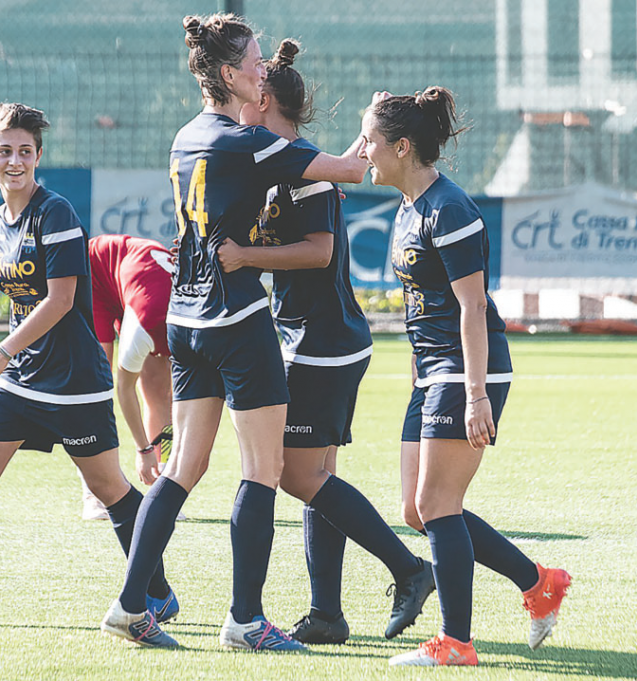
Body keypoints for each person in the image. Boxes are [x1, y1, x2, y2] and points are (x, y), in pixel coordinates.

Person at [99, 14, 367, 652]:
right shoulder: (251, 142)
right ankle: (246, 621)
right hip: (240, 322)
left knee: (184, 467)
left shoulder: (186, 136)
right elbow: (355, 169)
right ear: (227, 74)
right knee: (262, 467)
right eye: (252, 62)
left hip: (186, 319)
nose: (261, 71)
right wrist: (377, 123)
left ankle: (130, 604)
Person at [0, 103, 177, 635]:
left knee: (110, 487)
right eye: (4, 151)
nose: (15, 160)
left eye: (25, 151)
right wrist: (12, 359)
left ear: (38, 156)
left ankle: (157, 592)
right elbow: (20, 302)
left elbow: (62, 300)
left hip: (74, 383)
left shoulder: (57, 213)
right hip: (23, 380)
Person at [217, 38, 434, 645]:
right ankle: (327, 614)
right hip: (314, 337)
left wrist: (244, 257)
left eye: (249, 96)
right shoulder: (287, 162)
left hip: (324, 342)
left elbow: (321, 251)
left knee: (292, 473)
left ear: (262, 99)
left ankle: (411, 569)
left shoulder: (298, 165)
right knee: (319, 474)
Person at [356, 88, 572, 667]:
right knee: (417, 509)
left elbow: (472, 308)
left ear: (402, 147)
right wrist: (418, 380)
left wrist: (476, 394)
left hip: (466, 369)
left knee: (438, 502)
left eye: (370, 140)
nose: (362, 151)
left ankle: (456, 643)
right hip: (432, 373)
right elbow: (420, 307)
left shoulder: (449, 209)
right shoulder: (408, 206)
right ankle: (539, 581)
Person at [80, 233, 178, 521]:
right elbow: (124, 389)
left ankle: (166, 487)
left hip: (138, 282)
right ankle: (93, 493)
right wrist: (143, 448)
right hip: (96, 272)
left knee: (161, 393)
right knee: (96, 387)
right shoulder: (146, 327)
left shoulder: (201, 329)